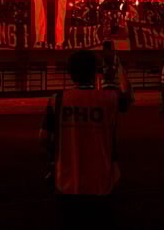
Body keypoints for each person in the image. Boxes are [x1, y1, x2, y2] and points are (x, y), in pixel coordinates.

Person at [40, 50, 129, 230]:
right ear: (95, 71)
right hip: (101, 182)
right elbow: (127, 96)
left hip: (67, 183)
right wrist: (119, 67)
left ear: (70, 73)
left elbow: (44, 137)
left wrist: (57, 157)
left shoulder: (56, 100)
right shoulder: (109, 99)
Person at [101, 41, 133, 108]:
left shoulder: (104, 58)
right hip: (113, 85)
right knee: (113, 107)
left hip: (106, 85)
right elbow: (120, 72)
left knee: (107, 107)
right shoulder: (115, 58)